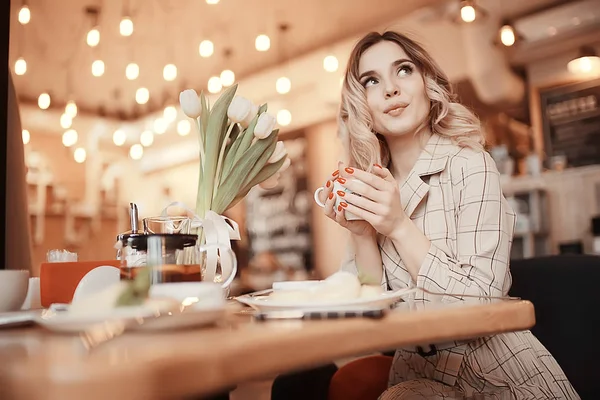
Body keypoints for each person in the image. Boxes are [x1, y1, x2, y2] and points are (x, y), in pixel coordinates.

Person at [272, 31, 579, 399]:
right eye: (372, 81)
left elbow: (478, 308)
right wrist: (362, 233)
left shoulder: (471, 165)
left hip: (502, 379)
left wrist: (399, 226)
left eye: (403, 71)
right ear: (362, 104)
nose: (390, 89)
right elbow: (372, 313)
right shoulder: (372, 186)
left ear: (426, 84)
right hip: (418, 379)